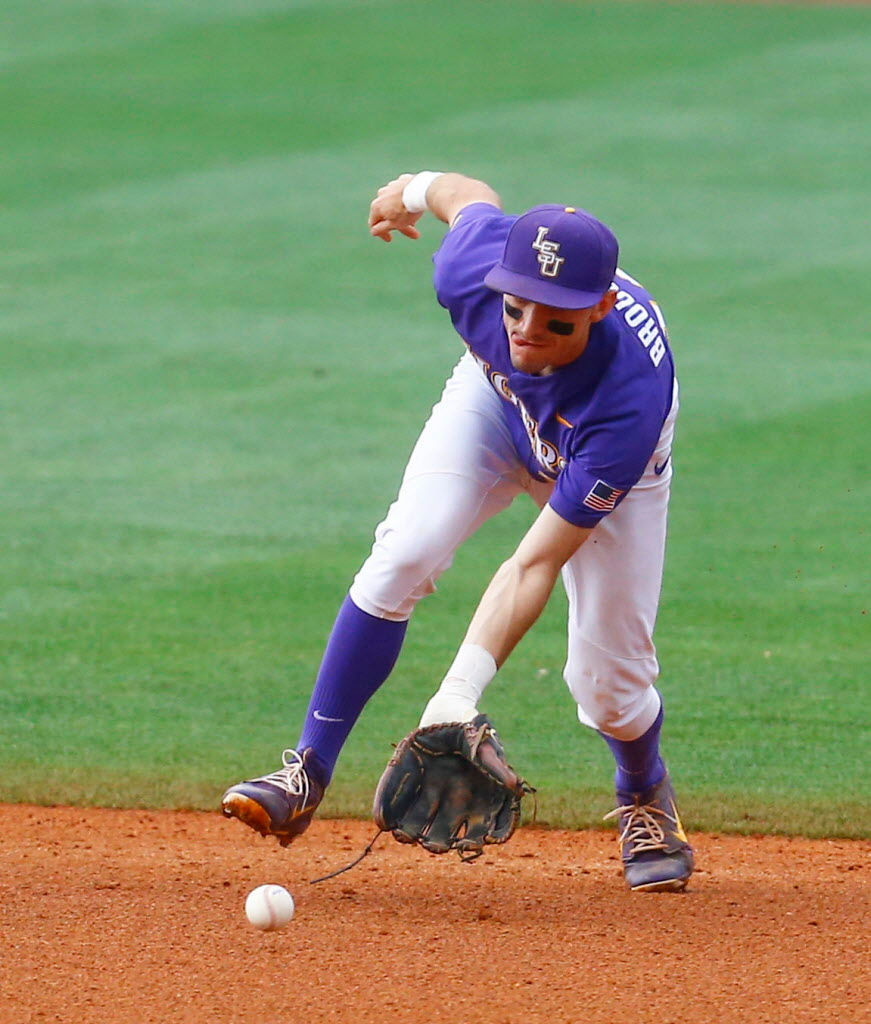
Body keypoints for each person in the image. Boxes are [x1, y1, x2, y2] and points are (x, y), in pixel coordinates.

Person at [221, 171, 694, 892]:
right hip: (494, 408)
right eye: (516, 308)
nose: (528, 331)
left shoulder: (625, 405)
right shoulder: (473, 272)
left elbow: (531, 566)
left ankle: (643, 791)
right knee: (403, 553)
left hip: (593, 456)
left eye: (555, 320)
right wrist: (407, 190)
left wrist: (454, 698)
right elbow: (465, 197)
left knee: (608, 687)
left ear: (599, 308)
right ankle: (306, 770)